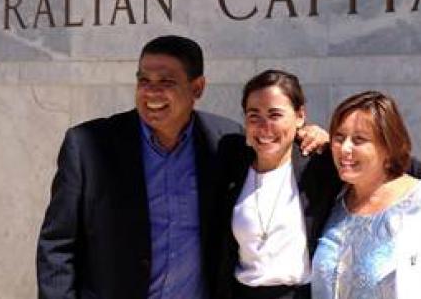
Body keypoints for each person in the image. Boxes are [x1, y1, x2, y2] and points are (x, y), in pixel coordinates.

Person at [35, 36, 329, 299]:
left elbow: (272, 150)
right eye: (144, 81)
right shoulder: (88, 145)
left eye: (166, 82)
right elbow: (58, 246)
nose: (152, 93)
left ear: (197, 87)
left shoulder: (225, 143)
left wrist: (309, 135)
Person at [215, 71, 421, 299]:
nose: (264, 127)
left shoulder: (318, 163)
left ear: (299, 117)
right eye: (254, 115)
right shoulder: (231, 161)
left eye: (275, 114)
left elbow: (392, 159)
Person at [311, 91, 421, 299]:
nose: (345, 148)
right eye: (339, 138)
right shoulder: (333, 198)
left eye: (359, 140)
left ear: (388, 148)